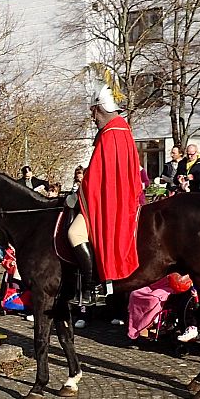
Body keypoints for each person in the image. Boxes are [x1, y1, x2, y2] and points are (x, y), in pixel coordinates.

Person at [71, 83, 144, 304]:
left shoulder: (110, 133)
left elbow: (95, 176)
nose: (93, 118)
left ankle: (92, 285)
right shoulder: (123, 129)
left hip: (109, 201)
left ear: (98, 108)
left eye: (93, 112)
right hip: (122, 197)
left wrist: (75, 196)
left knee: (75, 233)